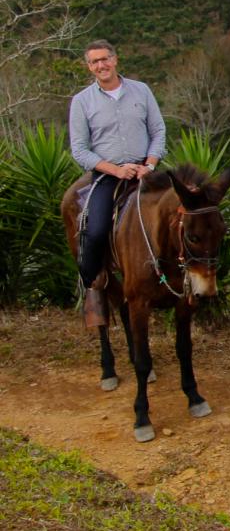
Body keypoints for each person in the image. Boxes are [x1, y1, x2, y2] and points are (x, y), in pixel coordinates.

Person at [68, 39, 166, 327]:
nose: (102, 65)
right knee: (95, 231)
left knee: (182, 217)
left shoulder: (141, 90)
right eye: (95, 62)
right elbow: (80, 149)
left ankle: (184, 282)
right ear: (89, 67)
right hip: (108, 175)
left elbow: (158, 130)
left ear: (115, 59)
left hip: (147, 171)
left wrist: (149, 164)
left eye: (105, 59)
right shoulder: (82, 101)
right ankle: (94, 283)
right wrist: (115, 170)